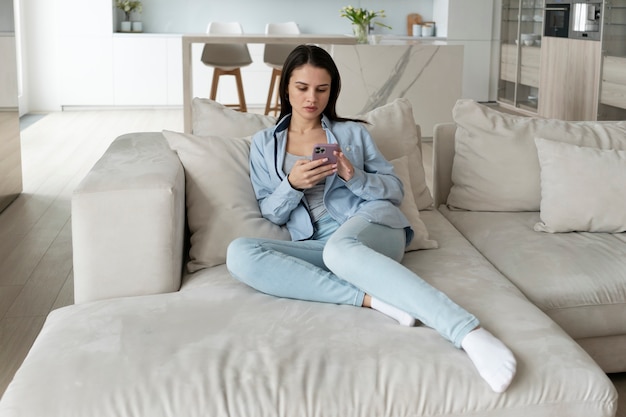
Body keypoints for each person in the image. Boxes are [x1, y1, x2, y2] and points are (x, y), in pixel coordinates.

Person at [226, 44, 516, 393]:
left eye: (322, 89)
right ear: (286, 86)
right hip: (319, 245)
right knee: (239, 253)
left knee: (340, 250)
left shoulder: (353, 134)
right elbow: (270, 211)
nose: (311, 99)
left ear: (332, 90)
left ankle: (467, 332)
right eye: (302, 88)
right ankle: (374, 299)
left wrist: (354, 176)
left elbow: (394, 191)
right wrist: (292, 185)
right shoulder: (263, 144)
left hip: (372, 225)